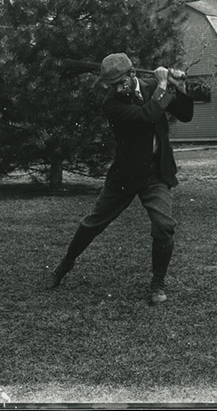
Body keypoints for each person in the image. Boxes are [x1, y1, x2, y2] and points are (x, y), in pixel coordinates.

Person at [46, 53, 193, 305]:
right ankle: (64, 266)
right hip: (126, 173)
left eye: (120, 82)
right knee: (93, 223)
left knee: (164, 226)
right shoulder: (111, 104)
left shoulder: (151, 87)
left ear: (133, 74)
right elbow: (146, 115)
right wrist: (163, 85)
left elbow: (186, 114)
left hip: (157, 173)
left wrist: (180, 87)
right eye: (111, 84)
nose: (116, 88)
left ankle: (157, 283)